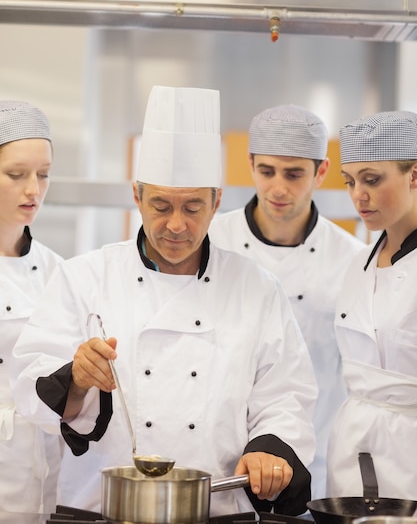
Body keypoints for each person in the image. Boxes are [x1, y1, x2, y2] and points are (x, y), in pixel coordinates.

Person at [10, 86, 317, 517]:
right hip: (101, 508)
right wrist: (76, 378)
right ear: (137, 197)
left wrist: (269, 449)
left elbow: (286, 395)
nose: (176, 225)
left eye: (193, 207)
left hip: (218, 509)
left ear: (216, 202)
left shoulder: (256, 288)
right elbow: (29, 385)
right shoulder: (84, 277)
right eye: (160, 205)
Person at [209, 104, 364, 500]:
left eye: (294, 174)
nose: (278, 188)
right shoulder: (212, 243)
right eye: (267, 171)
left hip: (317, 456)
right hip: (222, 458)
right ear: (250, 164)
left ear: (322, 172)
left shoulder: (352, 260)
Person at [326, 110, 417, 499]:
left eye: (372, 179)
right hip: (352, 452)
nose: (357, 195)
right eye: (350, 181)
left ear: (414, 175)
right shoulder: (354, 265)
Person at [0, 101, 63, 513]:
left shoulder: (57, 271)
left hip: (44, 475)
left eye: (43, 175)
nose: (33, 190)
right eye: (16, 175)